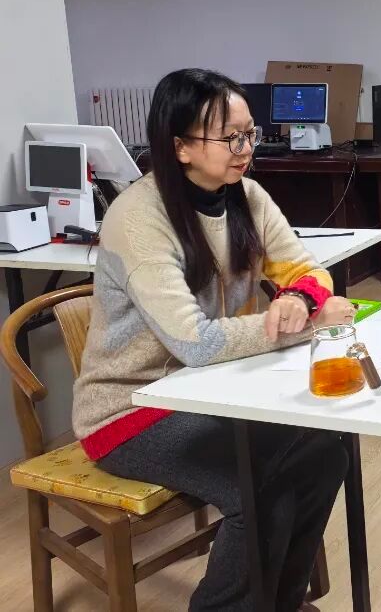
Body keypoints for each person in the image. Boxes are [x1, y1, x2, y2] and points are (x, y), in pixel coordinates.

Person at [72, 68, 359, 612]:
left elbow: (306, 268)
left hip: (213, 390)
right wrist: (305, 326)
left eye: (250, 134)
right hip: (132, 410)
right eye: (230, 137)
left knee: (326, 454)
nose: (246, 148)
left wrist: (301, 299)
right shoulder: (138, 218)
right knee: (261, 488)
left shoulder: (245, 195)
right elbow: (197, 343)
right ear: (180, 146)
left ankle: (281, 602)